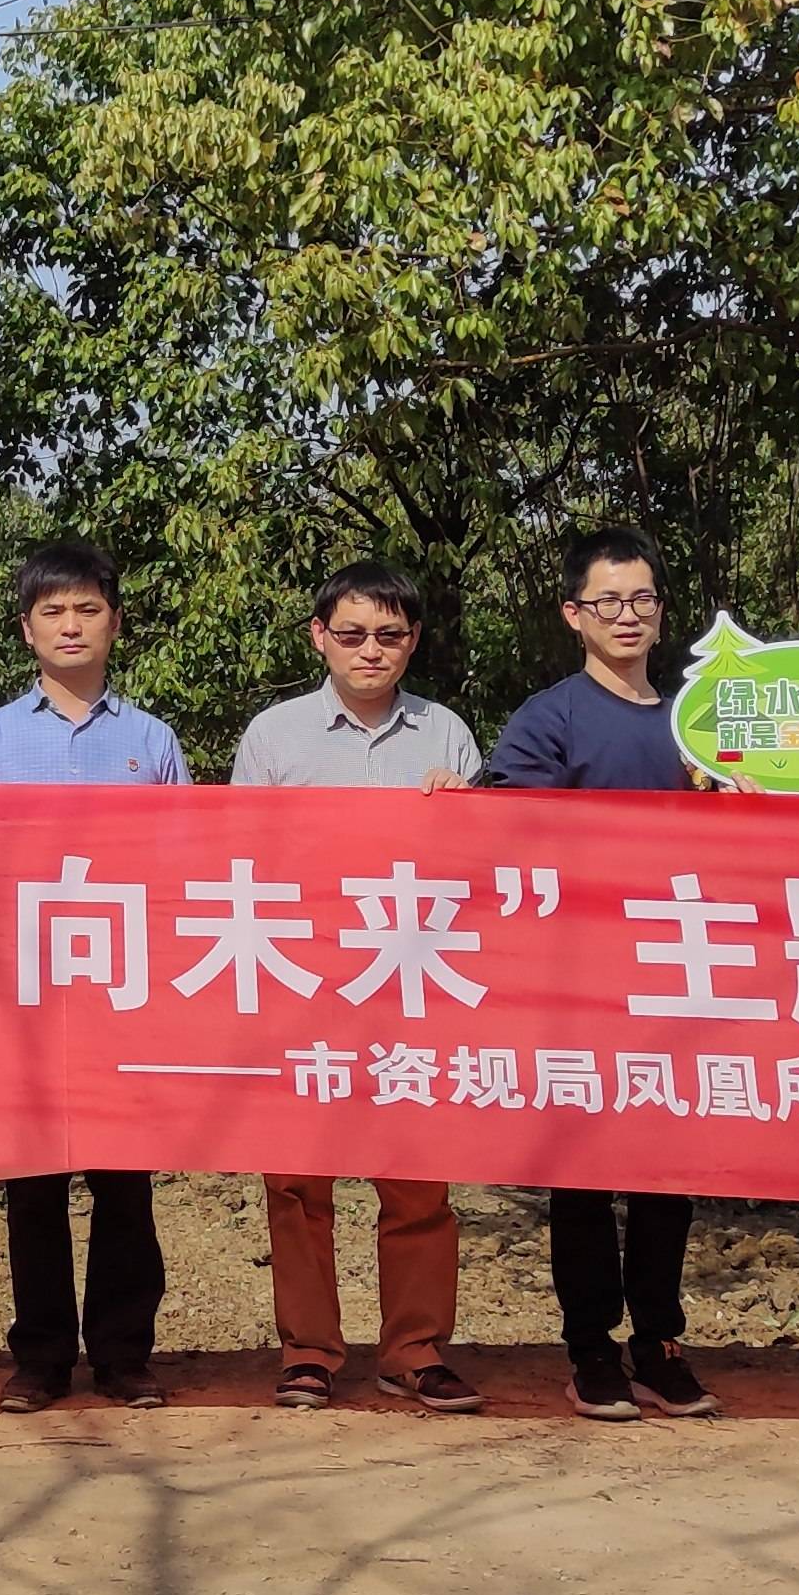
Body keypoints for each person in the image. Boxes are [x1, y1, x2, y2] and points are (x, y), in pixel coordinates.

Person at [229, 562, 484, 1413]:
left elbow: (484, 868)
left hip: (414, 984)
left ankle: (415, 1349)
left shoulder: (446, 734)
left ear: (413, 640)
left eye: (390, 635)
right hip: (302, 982)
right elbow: (238, 864)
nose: (370, 650)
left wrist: (467, 807)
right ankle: (308, 1352)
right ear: (319, 637)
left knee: (418, 1179)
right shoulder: (274, 737)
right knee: (298, 1183)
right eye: (352, 634)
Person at [478, 527, 714, 1420]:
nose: (627, 615)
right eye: (607, 601)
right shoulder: (549, 719)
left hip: (679, 977)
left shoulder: (700, 721)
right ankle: (590, 1349)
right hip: (576, 983)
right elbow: (511, 831)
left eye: (642, 598)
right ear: (574, 615)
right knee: (580, 1176)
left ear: (661, 612)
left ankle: (659, 1341)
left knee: (667, 1177)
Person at [0, 540, 187, 1413]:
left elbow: (186, 870)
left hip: (122, 993)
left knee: (124, 1183)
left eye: (87, 608)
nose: (71, 625)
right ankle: (41, 1357)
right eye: (53, 611)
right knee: (35, 1185)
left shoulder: (152, 741)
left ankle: (124, 1355)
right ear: (27, 629)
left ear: (114, 622)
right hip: (23, 996)